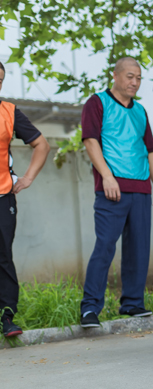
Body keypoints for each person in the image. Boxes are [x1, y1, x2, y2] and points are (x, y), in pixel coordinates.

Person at [79, 57, 153, 328]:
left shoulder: (140, 111)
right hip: (112, 188)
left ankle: (132, 303)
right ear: (114, 75)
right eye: (129, 76)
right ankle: (90, 308)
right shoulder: (97, 103)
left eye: (138, 78)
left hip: (140, 188)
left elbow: (149, 149)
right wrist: (107, 176)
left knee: (139, 248)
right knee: (104, 246)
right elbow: (90, 141)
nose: (134, 82)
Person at [0, 61, 51, 338]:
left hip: (2, 196)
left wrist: (28, 177)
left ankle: (6, 317)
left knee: (3, 257)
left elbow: (42, 145)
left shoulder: (8, 112)